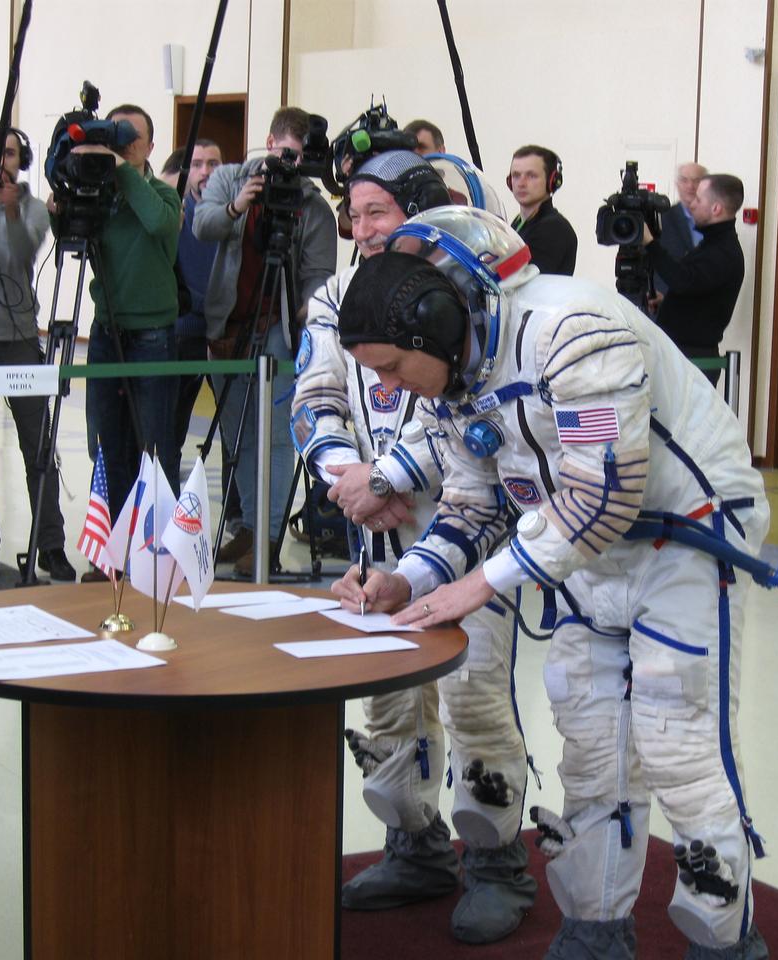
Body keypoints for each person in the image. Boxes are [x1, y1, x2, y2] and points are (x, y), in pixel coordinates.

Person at [333, 207, 771, 960]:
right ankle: (596, 929)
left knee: (677, 742)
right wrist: (404, 580)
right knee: (592, 745)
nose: (388, 386)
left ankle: (724, 940)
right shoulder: (460, 378)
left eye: (392, 369)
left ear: (436, 321)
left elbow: (606, 495)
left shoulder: (572, 332)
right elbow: (473, 502)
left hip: (684, 536)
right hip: (580, 554)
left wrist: (476, 587)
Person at [291, 150, 536, 945]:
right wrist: (349, 476)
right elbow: (315, 397)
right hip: (375, 520)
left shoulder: (468, 294)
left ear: (420, 215)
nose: (362, 231)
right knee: (388, 696)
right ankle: (414, 842)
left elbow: (465, 409)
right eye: (354, 216)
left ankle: (497, 861)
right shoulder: (332, 299)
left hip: (468, 518)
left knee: (473, 695)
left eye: (379, 215)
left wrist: (394, 471)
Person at [194, 107, 337, 575]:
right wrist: (241, 206)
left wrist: (297, 313)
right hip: (226, 324)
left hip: (277, 327)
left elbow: (320, 279)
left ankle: (268, 538)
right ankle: (251, 529)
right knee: (239, 437)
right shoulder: (231, 179)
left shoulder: (312, 206)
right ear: (269, 143)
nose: (289, 168)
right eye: (284, 156)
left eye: (299, 160)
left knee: (275, 439)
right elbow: (203, 225)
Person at [67, 102, 182, 585]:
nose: (123, 146)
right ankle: (109, 554)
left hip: (153, 335)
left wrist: (124, 174)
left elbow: (160, 225)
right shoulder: (98, 196)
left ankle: (155, 555)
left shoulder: (161, 193)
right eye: (117, 137)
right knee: (107, 446)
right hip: (106, 334)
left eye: (132, 138)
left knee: (153, 449)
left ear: (150, 148)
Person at [0, 126, 74, 583]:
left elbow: (24, 254)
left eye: (9, 153)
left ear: (19, 160)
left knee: (38, 447)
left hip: (21, 340)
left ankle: (51, 544)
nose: (0, 161)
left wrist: (6, 212)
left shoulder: (31, 208)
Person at [645, 173, 746, 386]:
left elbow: (682, 280)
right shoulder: (711, 244)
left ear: (716, 208)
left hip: (693, 361)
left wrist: (650, 243)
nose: (692, 204)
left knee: (675, 421)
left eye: (699, 200)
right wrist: (669, 301)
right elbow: (697, 287)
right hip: (681, 354)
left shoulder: (723, 251)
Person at [168, 139, 223, 457]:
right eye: (197, 164)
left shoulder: (235, 215)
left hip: (225, 334)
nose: (205, 172)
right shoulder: (173, 214)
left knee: (233, 431)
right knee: (171, 429)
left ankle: (236, 508)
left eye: (213, 163)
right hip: (182, 333)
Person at [508, 144, 577, 275]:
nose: (521, 183)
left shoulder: (554, 228)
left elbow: (516, 279)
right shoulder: (519, 223)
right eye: (516, 175)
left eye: (531, 176)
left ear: (552, 181)